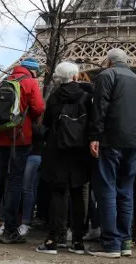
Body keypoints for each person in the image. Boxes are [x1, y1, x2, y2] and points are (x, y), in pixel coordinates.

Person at [89, 48, 136, 258]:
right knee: (126, 191)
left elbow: (99, 107)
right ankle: (125, 241)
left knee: (107, 189)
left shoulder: (106, 75)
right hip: (134, 143)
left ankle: (110, 244)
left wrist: (95, 136)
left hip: (111, 140)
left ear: (109, 61)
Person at [0, 58, 45, 243]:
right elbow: (38, 108)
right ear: (33, 71)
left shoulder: (2, 83)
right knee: (14, 184)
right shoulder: (31, 82)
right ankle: (10, 231)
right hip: (19, 138)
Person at [35, 62, 93, 255]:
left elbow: (48, 122)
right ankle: (77, 241)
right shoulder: (86, 96)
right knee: (78, 195)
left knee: (58, 194)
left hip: (57, 149)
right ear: (76, 76)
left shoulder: (54, 96)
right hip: (80, 151)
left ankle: (53, 239)